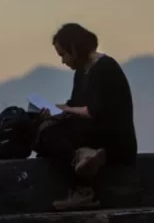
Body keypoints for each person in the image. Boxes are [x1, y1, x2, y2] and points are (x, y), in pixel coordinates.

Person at [34, 23, 138, 210]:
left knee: (51, 134)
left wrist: (67, 110)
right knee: (45, 131)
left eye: (63, 54)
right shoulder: (82, 72)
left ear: (74, 48)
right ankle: (82, 156)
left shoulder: (105, 68)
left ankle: (83, 190)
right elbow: (75, 105)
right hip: (92, 131)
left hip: (113, 140)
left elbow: (94, 111)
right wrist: (55, 112)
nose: (63, 61)